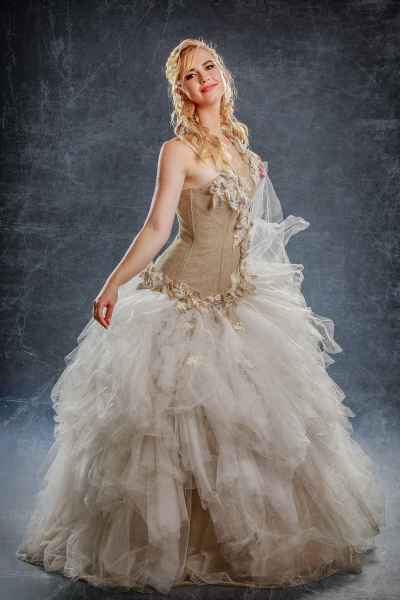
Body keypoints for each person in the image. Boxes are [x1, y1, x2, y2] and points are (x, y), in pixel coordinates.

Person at [16, 37, 385, 594]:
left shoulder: (242, 147)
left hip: (237, 298)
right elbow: (157, 228)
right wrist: (112, 283)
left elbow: (249, 231)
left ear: (223, 74)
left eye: (209, 67)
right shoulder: (178, 151)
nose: (203, 78)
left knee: (248, 427)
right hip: (182, 298)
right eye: (189, 75)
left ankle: (226, 538)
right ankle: (171, 543)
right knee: (169, 429)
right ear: (181, 91)